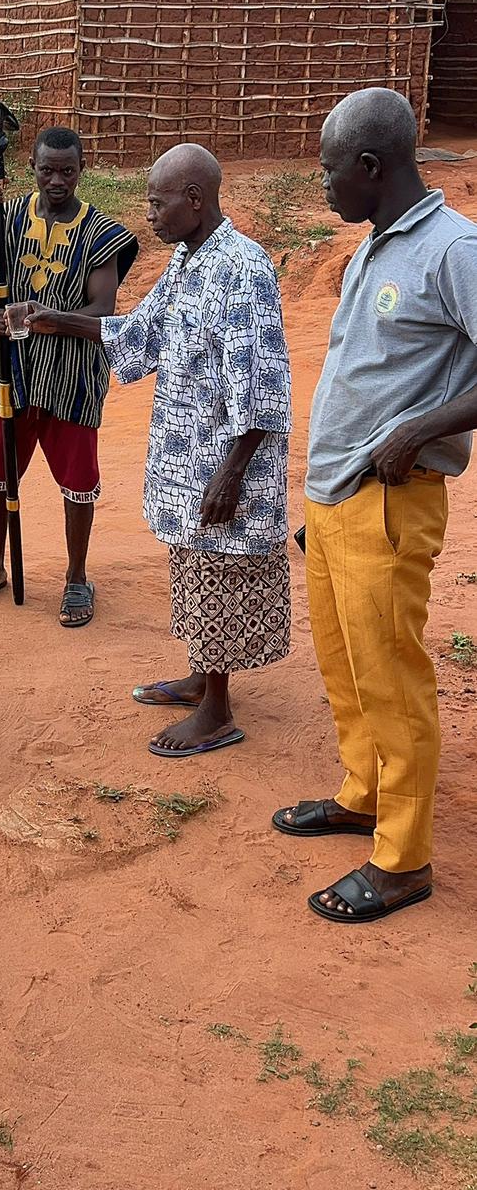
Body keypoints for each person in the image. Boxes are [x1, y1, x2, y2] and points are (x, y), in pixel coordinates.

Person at [274, 87, 477, 923]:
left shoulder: (454, 250)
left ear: (370, 165)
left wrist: (420, 429)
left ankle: (402, 860)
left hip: (390, 502)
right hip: (336, 501)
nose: (322, 185)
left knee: (391, 680)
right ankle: (364, 794)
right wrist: (321, 495)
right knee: (346, 668)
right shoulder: (371, 246)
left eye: (330, 171)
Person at [28, 143, 292, 754]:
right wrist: (55, 319)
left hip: (222, 461)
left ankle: (218, 712)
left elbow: (263, 386)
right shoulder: (186, 261)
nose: (148, 214)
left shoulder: (242, 268)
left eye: (157, 202)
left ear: (194, 200)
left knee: (219, 572)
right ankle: (203, 678)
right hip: (188, 456)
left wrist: (232, 471)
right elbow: (140, 332)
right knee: (196, 570)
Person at [0, 126, 138, 627]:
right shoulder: (9, 217)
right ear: (32, 167)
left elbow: (103, 309)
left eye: (67, 171)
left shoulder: (101, 233)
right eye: (47, 170)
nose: (57, 181)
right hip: (7, 372)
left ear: (82, 170)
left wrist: (47, 318)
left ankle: (77, 577)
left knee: (77, 483)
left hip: (71, 378)